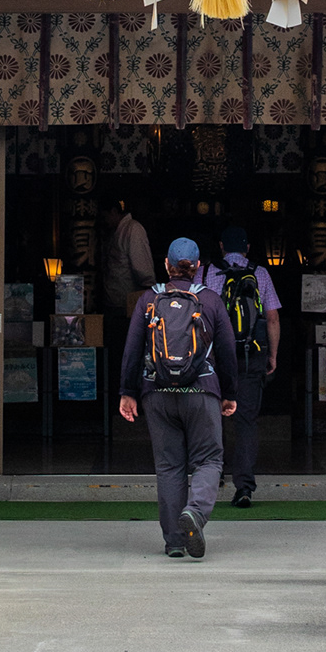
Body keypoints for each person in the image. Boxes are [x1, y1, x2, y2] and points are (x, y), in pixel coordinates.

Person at [119, 237, 238, 558]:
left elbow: (132, 350)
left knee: (169, 466)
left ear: (166, 266)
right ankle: (195, 514)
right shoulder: (211, 302)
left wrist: (127, 392)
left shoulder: (148, 300)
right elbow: (227, 352)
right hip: (202, 392)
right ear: (198, 267)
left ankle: (173, 541)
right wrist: (229, 393)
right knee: (209, 459)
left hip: (156, 394)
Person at [204, 224, 281, 506]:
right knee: (246, 421)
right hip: (251, 356)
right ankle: (244, 486)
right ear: (247, 248)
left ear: (222, 247)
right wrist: (272, 355)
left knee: (213, 417)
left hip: (213, 359)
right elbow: (271, 318)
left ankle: (213, 477)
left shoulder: (208, 273)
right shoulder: (260, 273)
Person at [102, 197, 155, 332]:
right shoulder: (116, 231)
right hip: (115, 303)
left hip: (128, 304)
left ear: (114, 212)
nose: (104, 220)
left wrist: (147, 293)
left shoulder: (133, 229)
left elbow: (142, 268)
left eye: (105, 216)